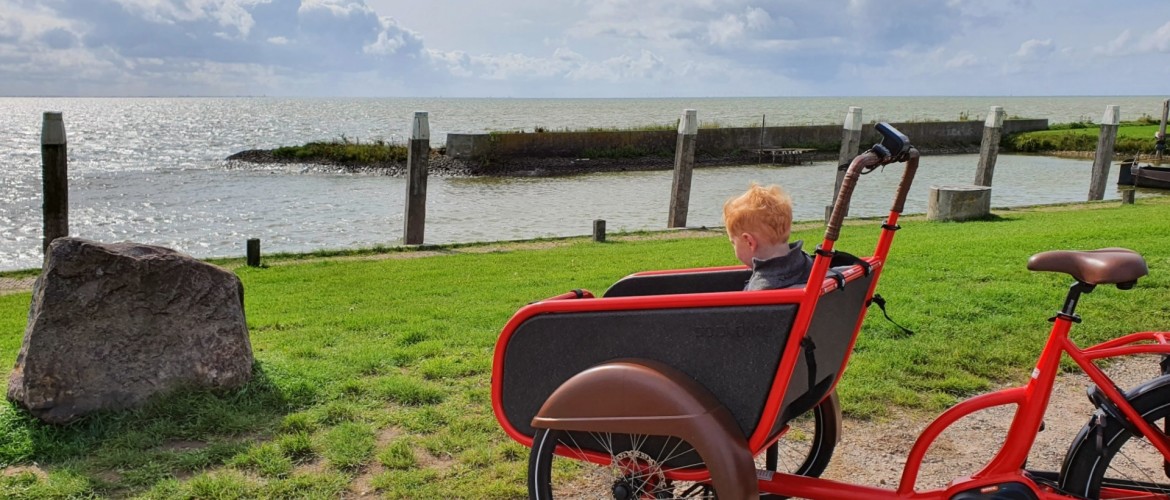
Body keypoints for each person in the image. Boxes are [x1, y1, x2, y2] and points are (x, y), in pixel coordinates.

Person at [722, 183, 814, 290]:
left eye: (733, 242)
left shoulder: (760, 289)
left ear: (749, 242)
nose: (734, 246)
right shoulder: (810, 265)